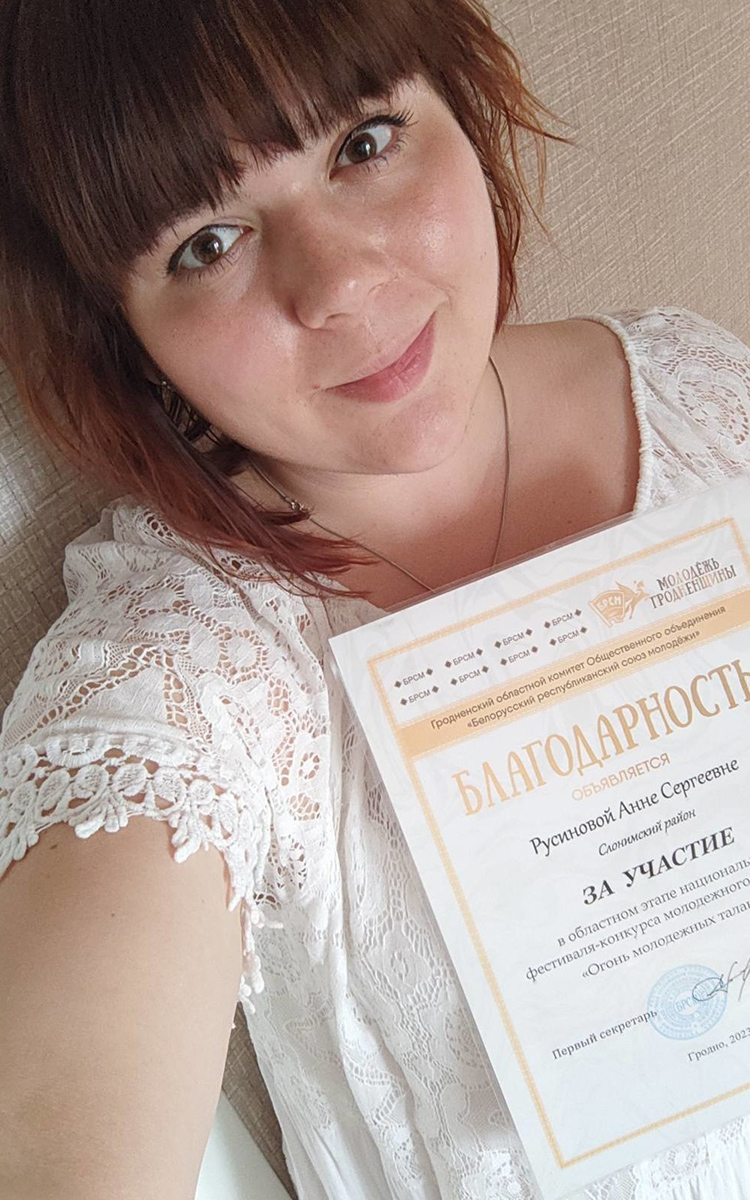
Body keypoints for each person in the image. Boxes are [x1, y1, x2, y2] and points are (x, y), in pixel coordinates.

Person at [0, 0, 749, 1197]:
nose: (340, 283)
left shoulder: (694, 384)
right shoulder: (184, 668)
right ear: (125, 336)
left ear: (464, 104)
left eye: (363, 142)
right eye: (207, 242)